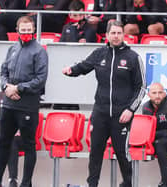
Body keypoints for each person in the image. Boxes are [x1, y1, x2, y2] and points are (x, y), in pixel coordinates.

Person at [62, 20, 146, 187]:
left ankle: (128, 183)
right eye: (112, 33)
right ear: (107, 35)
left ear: (123, 35)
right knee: (95, 152)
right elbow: (83, 66)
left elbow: (141, 87)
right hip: (100, 112)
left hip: (121, 115)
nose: (116, 36)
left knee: (122, 153)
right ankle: (92, 184)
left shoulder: (133, 57)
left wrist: (130, 109)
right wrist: (71, 71)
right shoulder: (99, 53)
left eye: (119, 33)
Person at [0, 15, 48, 187]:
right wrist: (6, 87)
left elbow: (40, 79)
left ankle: (26, 183)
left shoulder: (40, 51)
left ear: (34, 30)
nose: (26, 32)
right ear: (18, 30)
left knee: (29, 146)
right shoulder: (12, 48)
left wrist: (18, 88)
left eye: (29, 30)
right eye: (23, 30)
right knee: (4, 142)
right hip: (9, 104)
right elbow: (3, 71)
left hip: (27, 106)